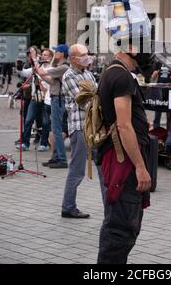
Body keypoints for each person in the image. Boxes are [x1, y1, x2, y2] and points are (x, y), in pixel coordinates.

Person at [97, 0, 152, 264]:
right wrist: (141, 167)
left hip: (123, 161)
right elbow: (123, 125)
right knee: (120, 230)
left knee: (123, 228)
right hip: (124, 164)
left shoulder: (118, 72)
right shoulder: (119, 74)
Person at [61, 44, 104, 219]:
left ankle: (110, 206)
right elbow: (86, 102)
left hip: (94, 126)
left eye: (88, 54)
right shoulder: (69, 76)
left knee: (102, 166)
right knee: (77, 169)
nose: (88, 57)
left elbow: (97, 95)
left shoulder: (87, 73)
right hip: (80, 127)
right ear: (73, 59)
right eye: (84, 55)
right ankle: (68, 206)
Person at [35, 44, 69, 168]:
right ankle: (55, 157)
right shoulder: (59, 67)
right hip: (56, 99)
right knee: (55, 129)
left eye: (57, 51)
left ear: (61, 53)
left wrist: (35, 60)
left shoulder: (64, 67)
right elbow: (51, 81)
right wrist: (41, 73)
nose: (55, 53)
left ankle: (61, 159)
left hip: (58, 100)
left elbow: (42, 71)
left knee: (57, 130)